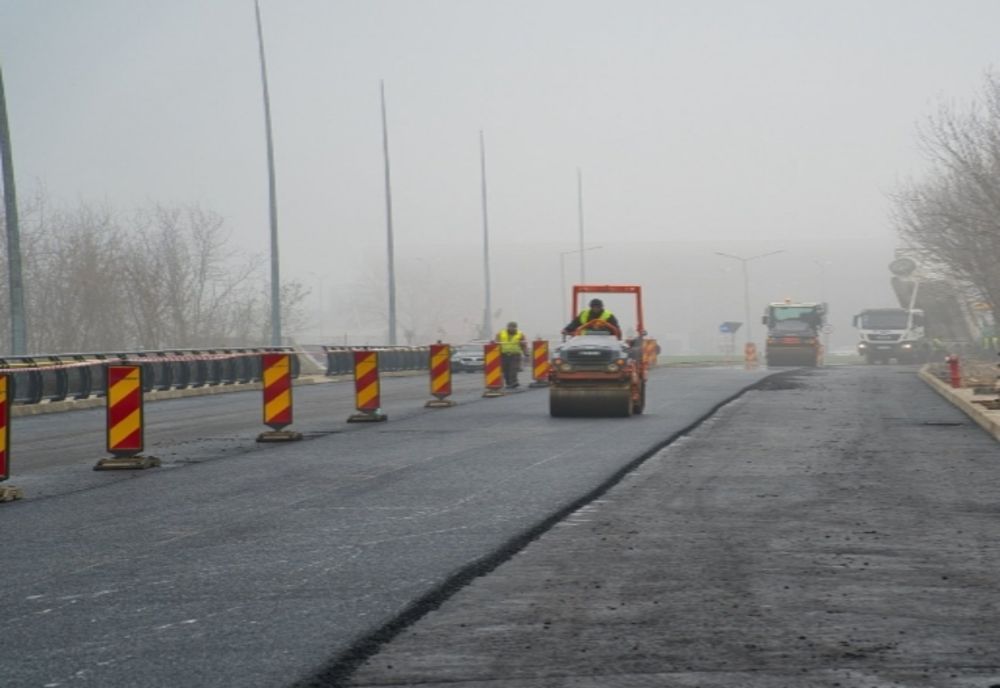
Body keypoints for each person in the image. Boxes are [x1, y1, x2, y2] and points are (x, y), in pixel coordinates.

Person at [495, 321, 529, 388]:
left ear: (516, 327)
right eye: (511, 327)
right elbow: (496, 343)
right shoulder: (500, 333)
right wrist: (496, 354)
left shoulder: (520, 334)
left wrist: (526, 353)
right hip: (504, 355)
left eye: (514, 327)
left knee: (513, 369)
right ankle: (508, 383)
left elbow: (523, 345)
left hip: (515, 355)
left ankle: (514, 382)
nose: (512, 328)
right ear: (508, 327)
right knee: (505, 370)